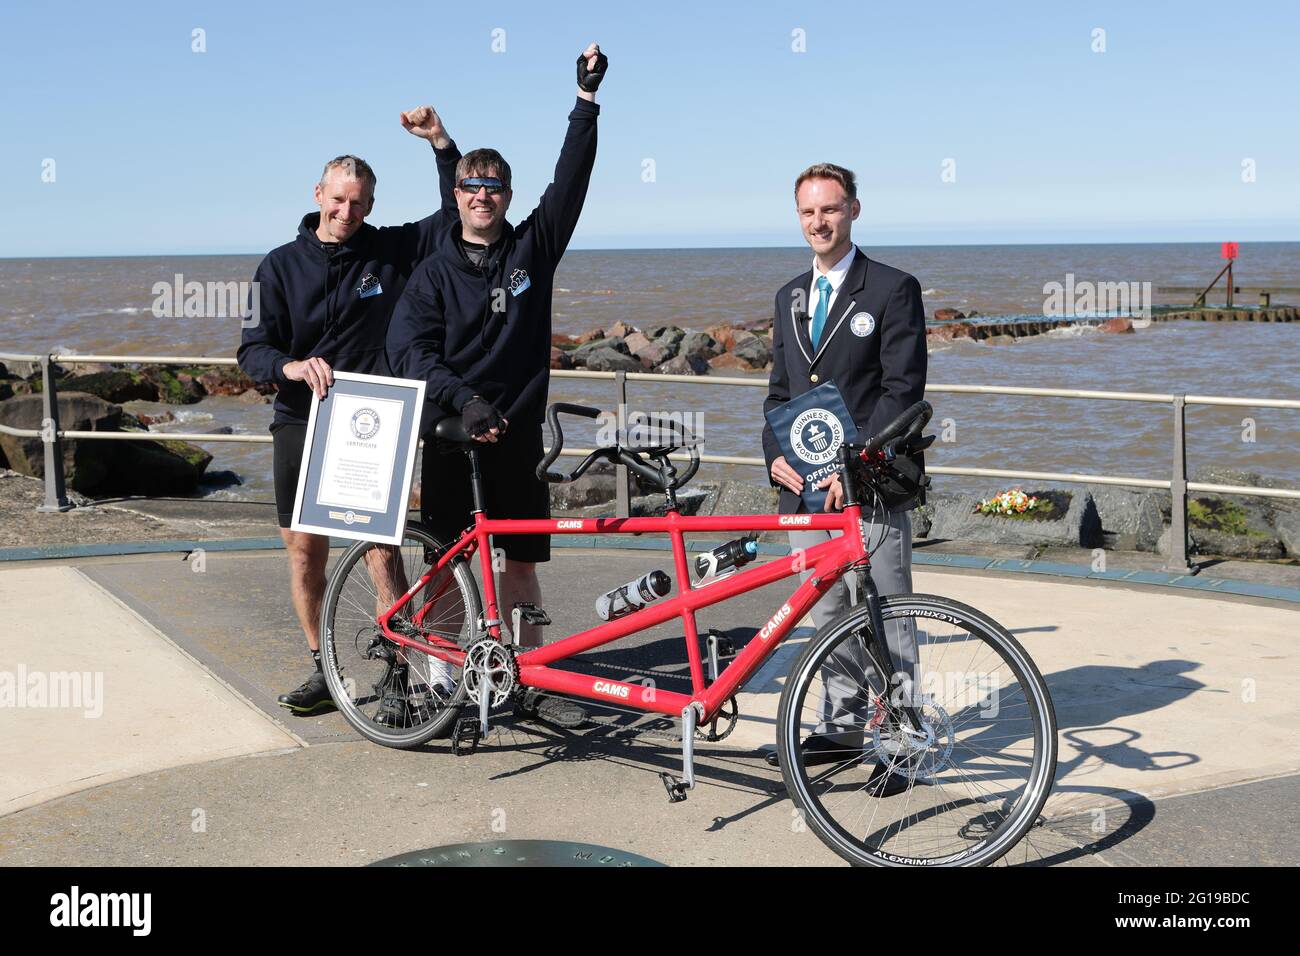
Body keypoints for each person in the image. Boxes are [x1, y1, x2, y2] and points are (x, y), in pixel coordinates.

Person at [387, 44, 606, 727]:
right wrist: (460, 397)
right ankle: (436, 685)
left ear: (506, 197)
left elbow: (568, 183)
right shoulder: (431, 273)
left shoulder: (531, 251)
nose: (483, 195)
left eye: (495, 187)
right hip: (453, 442)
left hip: (517, 443)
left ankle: (529, 674)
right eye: (471, 186)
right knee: (449, 568)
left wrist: (586, 101)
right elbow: (408, 350)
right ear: (455, 194)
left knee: (519, 564)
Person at [238, 106, 462, 716]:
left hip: (370, 421)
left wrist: (440, 143)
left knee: (380, 547)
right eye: (338, 200)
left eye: (359, 203)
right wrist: (288, 366)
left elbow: (452, 214)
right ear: (318, 195)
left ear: (370, 204)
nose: (347, 213)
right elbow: (252, 350)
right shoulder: (278, 266)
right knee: (305, 550)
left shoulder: (391, 251)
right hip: (301, 416)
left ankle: (395, 672)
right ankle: (323, 667)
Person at [760, 163, 927, 793]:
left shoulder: (891, 288)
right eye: (807, 212)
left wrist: (851, 461)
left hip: (871, 482)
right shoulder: (788, 297)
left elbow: (902, 391)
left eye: (829, 210)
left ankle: (904, 738)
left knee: (889, 610)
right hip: (802, 488)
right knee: (826, 609)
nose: (818, 223)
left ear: (853, 210)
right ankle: (845, 725)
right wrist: (772, 452)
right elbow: (779, 393)